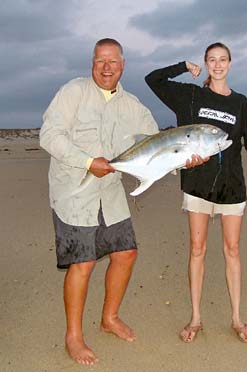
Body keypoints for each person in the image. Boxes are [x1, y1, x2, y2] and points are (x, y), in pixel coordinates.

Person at [145, 42, 247, 343]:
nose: (218, 65)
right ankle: (195, 319)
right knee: (197, 250)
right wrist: (183, 66)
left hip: (232, 188)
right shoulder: (191, 96)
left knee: (232, 251)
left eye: (223, 60)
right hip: (197, 185)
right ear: (206, 63)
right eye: (212, 60)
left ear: (230, 64)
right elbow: (153, 80)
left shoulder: (241, 103)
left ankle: (236, 318)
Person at [40, 38, 163, 365]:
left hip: (110, 191)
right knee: (83, 262)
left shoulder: (133, 105)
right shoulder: (73, 92)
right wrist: (86, 161)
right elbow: (49, 135)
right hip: (73, 191)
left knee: (126, 253)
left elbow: (156, 143)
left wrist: (185, 156)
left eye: (113, 61)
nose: (106, 67)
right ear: (92, 64)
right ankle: (74, 336)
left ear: (122, 65)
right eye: (100, 61)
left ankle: (109, 318)